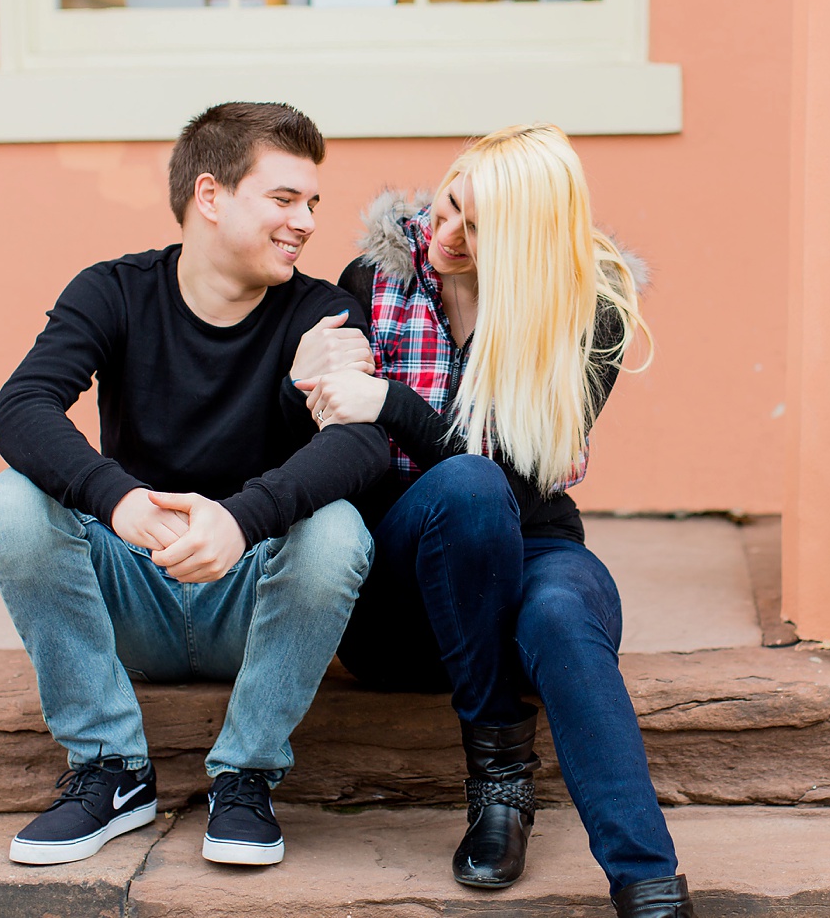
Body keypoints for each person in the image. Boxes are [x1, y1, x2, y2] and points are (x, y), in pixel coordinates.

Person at [296, 124, 698, 917]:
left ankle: (651, 890)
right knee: (468, 488)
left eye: (476, 229)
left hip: (533, 547)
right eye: (448, 204)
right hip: (400, 594)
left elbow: (523, 479)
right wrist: (315, 377)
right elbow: (354, 451)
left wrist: (391, 404)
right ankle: (500, 778)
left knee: (555, 608)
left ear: (528, 241)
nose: (443, 235)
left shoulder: (591, 314)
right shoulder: (375, 282)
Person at [0, 102, 387, 868]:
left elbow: (363, 445)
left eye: (312, 203)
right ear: (210, 196)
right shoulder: (113, 291)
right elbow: (19, 407)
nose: (305, 221)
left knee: (338, 530)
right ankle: (110, 768)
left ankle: (247, 777)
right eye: (284, 198)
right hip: (136, 587)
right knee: (12, 501)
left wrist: (239, 520)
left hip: (252, 596)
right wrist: (119, 498)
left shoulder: (323, 310)